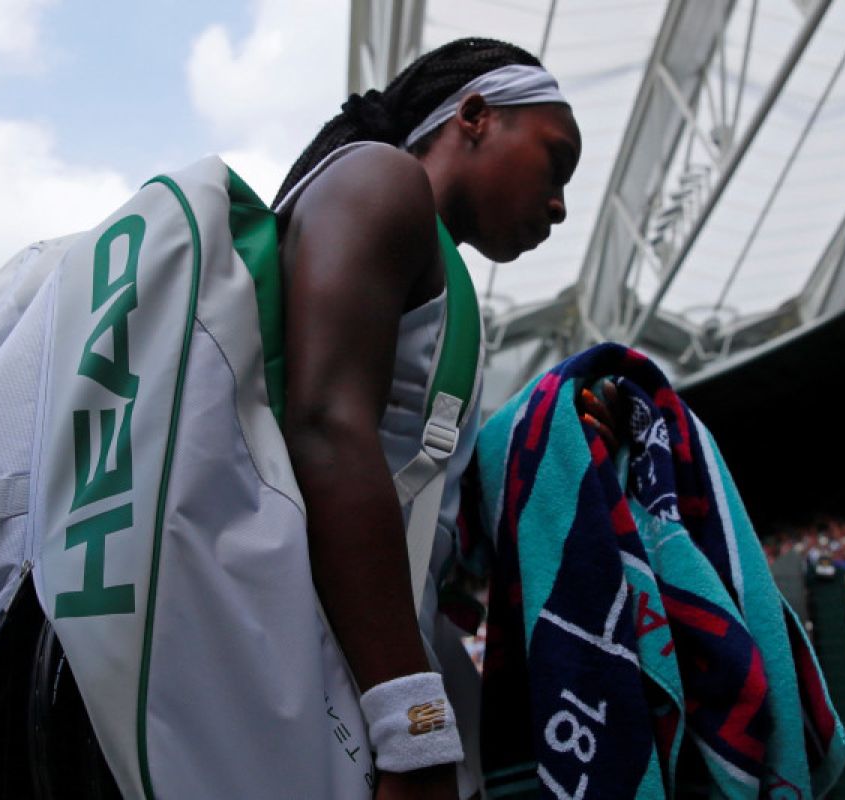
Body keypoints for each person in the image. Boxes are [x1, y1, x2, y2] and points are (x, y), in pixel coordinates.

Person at [272, 38, 581, 798]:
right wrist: (412, 728)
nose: (561, 204)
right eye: (555, 160)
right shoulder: (384, 178)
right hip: (319, 691)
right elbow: (325, 428)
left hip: (340, 674)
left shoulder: (436, 262)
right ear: (474, 115)